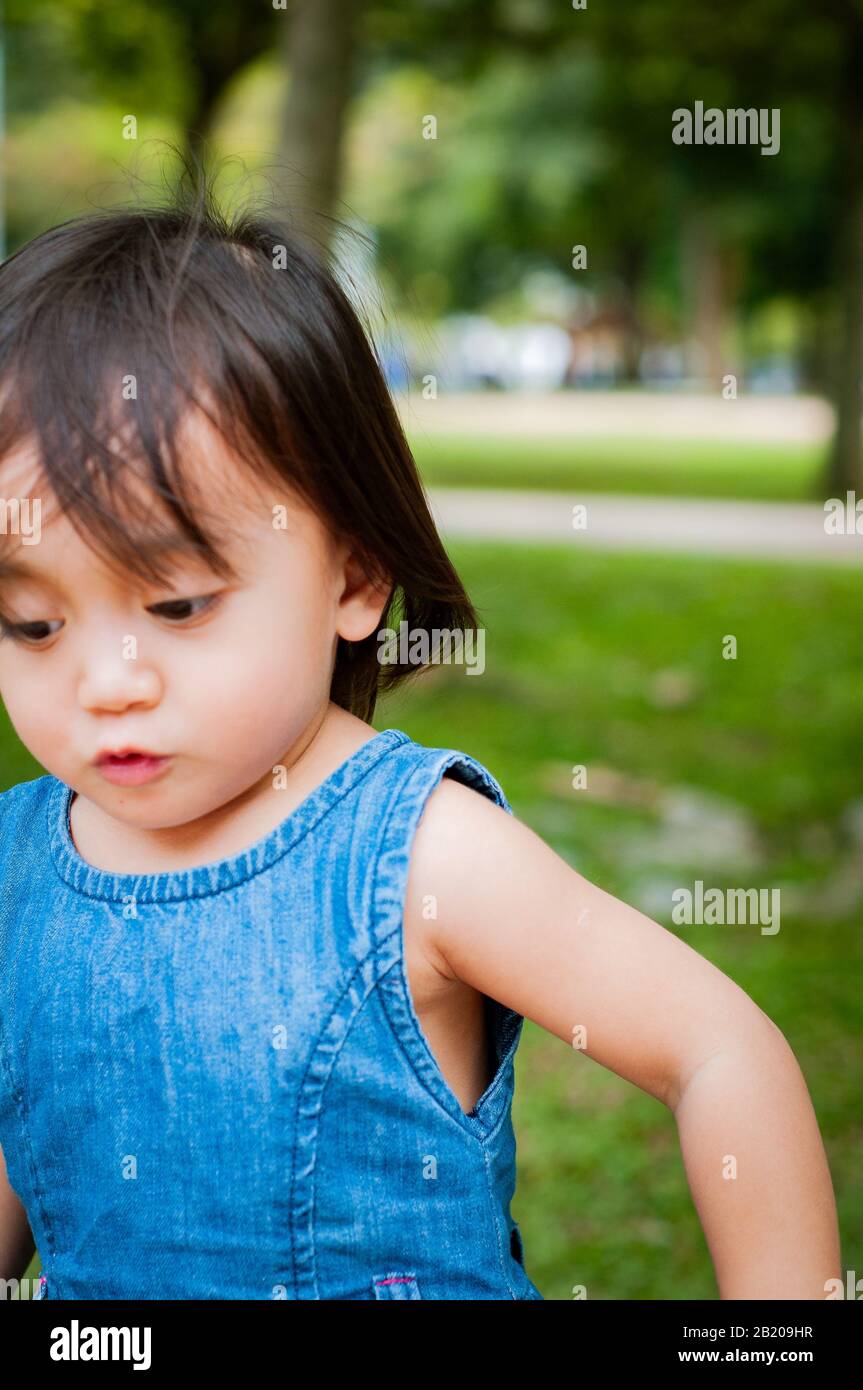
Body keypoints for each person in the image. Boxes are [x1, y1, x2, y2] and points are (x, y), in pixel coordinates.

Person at [0, 174, 840, 1301]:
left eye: (179, 604)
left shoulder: (416, 856)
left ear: (352, 573)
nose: (106, 683)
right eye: (33, 622)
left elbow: (715, 1050)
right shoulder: (18, 869)